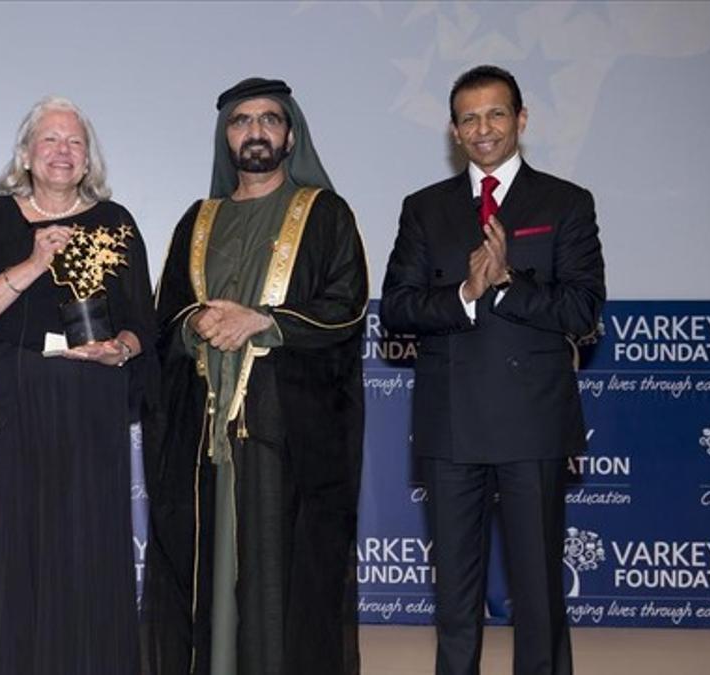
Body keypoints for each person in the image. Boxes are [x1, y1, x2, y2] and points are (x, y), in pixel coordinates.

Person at [380, 65, 605, 675]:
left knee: (538, 597)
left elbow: (583, 309)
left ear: (521, 120)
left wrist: (507, 283)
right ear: (454, 131)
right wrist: (465, 293)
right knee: (455, 601)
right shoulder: (424, 209)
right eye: (470, 118)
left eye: (496, 113)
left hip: (533, 424)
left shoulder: (565, 202)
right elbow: (396, 312)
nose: (484, 128)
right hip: (452, 424)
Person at [143, 77, 368, 675]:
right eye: (242, 122)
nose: (256, 131)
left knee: (281, 577)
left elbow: (345, 306)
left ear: (290, 135)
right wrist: (199, 325)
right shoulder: (199, 218)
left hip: (285, 435)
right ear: (226, 138)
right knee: (205, 565)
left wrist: (258, 322)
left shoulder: (325, 214)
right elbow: (164, 316)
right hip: (204, 437)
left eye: (269, 120)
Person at [0, 95, 156, 675]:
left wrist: (122, 350)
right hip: (24, 397)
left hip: (95, 400)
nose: (62, 152)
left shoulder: (117, 223)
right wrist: (35, 262)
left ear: (87, 161)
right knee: (25, 542)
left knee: (92, 541)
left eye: (74, 143)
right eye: (49, 141)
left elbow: (144, 322)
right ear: (26, 155)